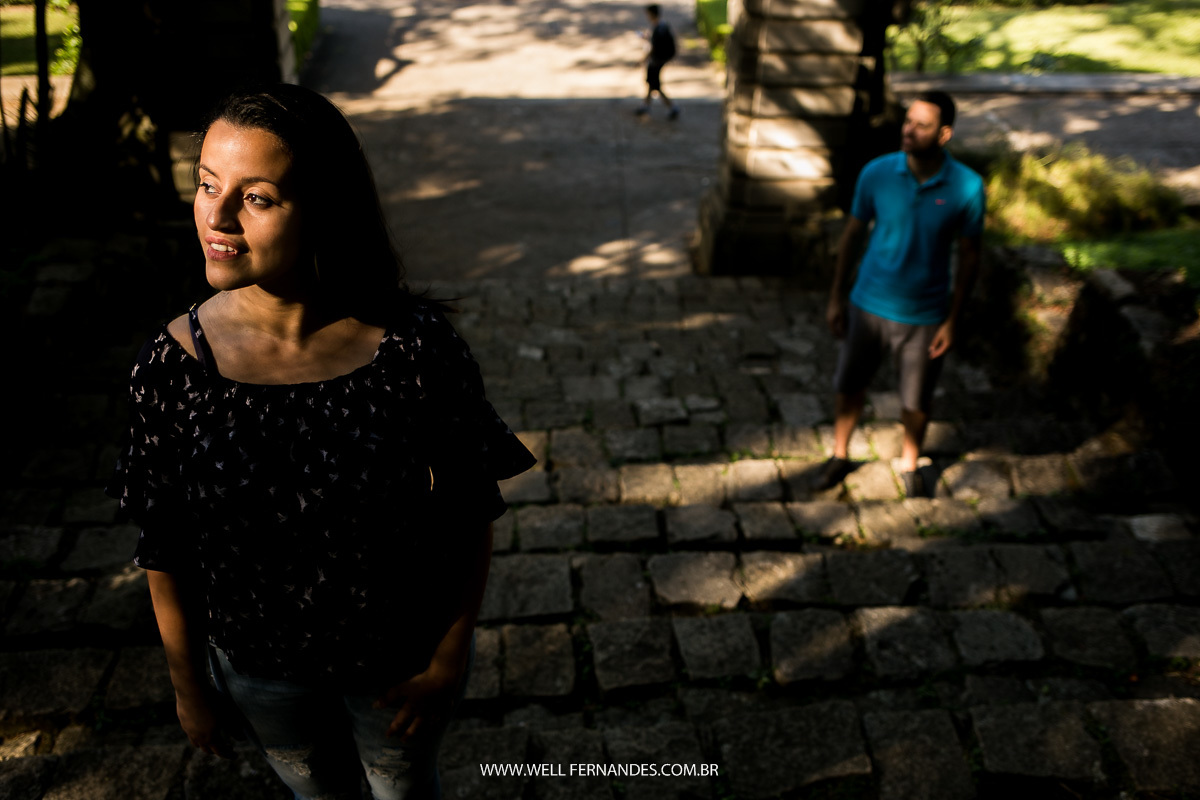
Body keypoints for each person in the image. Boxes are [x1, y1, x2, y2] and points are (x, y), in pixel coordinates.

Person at [107, 84, 536, 799]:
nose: (215, 217)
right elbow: (165, 544)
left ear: (322, 209)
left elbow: (467, 508)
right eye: (207, 184)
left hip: (398, 667)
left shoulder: (414, 351)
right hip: (259, 673)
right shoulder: (172, 369)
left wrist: (450, 656)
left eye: (257, 197)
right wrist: (190, 686)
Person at [816, 91, 984, 498]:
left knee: (916, 399)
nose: (908, 131)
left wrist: (952, 319)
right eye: (907, 121)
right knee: (849, 385)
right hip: (868, 305)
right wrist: (837, 296)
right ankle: (839, 454)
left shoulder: (967, 186)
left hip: (925, 315)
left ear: (944, 134)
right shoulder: (876, 173)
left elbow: (970, 256)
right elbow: (853, 235)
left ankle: (910, 464)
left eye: (921, 125)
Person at [635, 4, 679, 119]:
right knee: (651, 82)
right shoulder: (662, 25)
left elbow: (654, 47)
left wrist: (643, 60)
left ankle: (672, 107)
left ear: (651, 14)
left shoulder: (659, 27)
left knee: (655, 85)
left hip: (657, 60)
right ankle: (646, 106)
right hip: (660, 59)